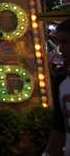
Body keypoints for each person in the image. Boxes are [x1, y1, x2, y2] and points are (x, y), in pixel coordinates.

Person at [47, 18, 70, 155]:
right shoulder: (61, 80)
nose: (60, 49)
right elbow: (59, 129)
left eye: (66, 42)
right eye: (59, 42)